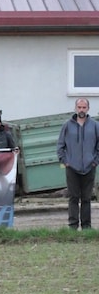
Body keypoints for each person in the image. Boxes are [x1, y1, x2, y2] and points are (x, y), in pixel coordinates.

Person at [56, 98, 99, 230]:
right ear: (75, 108)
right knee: (73, 197)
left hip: (89, 167)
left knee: (86, 198)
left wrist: (95, 161)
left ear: (88, 109)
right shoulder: (67, 125)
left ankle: (86, 226)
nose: (81, 110)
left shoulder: (95, 125)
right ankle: (73, 226)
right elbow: (60, 146)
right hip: (72, 168)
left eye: (84, 107)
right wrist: (65, 161)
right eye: (79, 107)